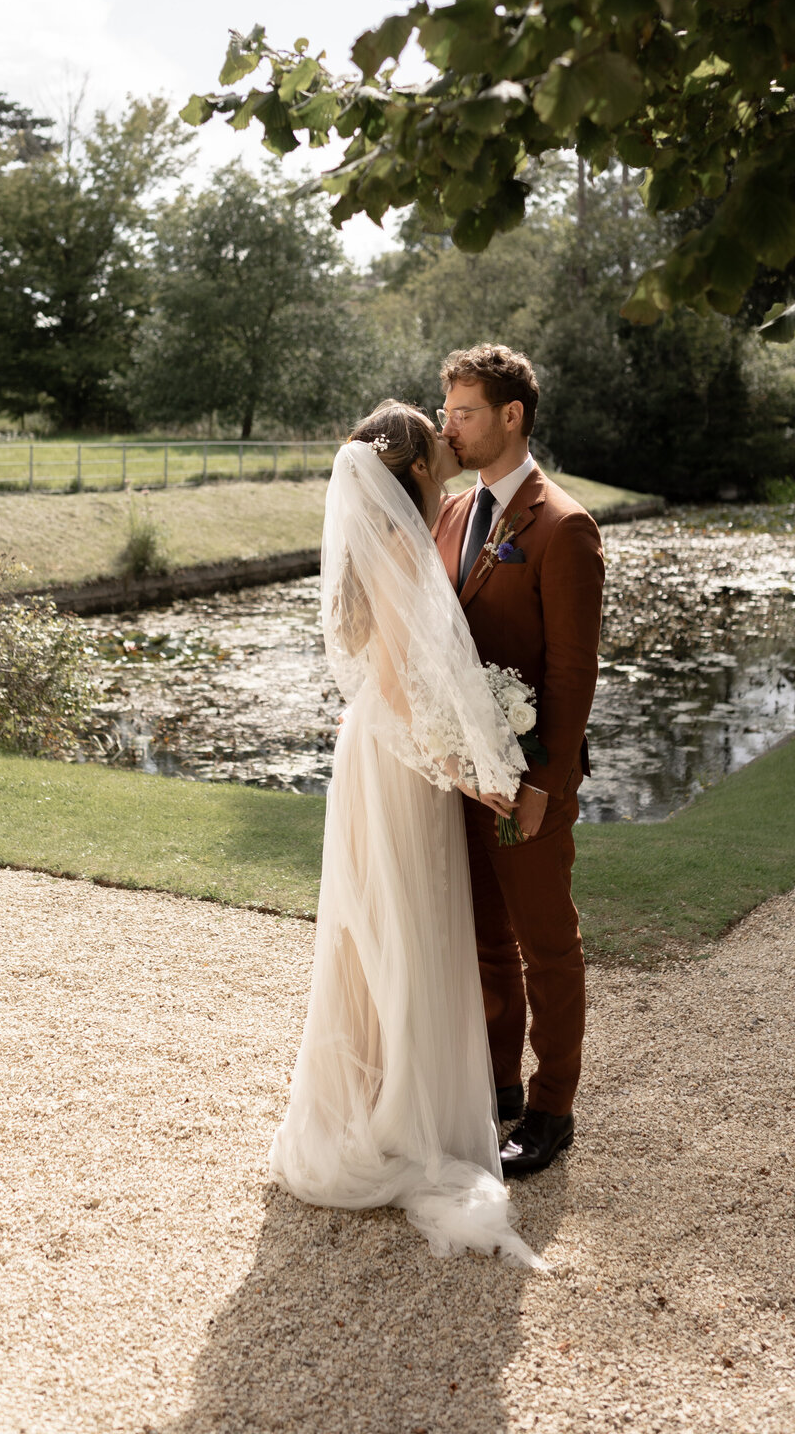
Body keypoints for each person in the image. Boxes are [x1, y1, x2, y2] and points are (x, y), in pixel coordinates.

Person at [269, 401, 543, 1267]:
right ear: (419, 467)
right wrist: (467, 771)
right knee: (404, 931)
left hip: (382, 757)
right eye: (440, 431)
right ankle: (401, 1121)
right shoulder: (395, 549)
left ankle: (381, 1094)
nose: (450, 437)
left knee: (381, 932)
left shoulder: (395, 540)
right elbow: (398, 690)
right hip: (398, 765)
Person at [435, 345, 605, 1177]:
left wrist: (543, 784)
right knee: (485, 945)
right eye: (447, 412)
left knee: (547, 946)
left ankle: (553, 1108)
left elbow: (574, 672)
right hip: (462, 778)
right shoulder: (451, 513)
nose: (449, 429)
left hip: (530, 780)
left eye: (463, 413)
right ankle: (499, 1088)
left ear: (511, 416)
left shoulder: (564, 525)